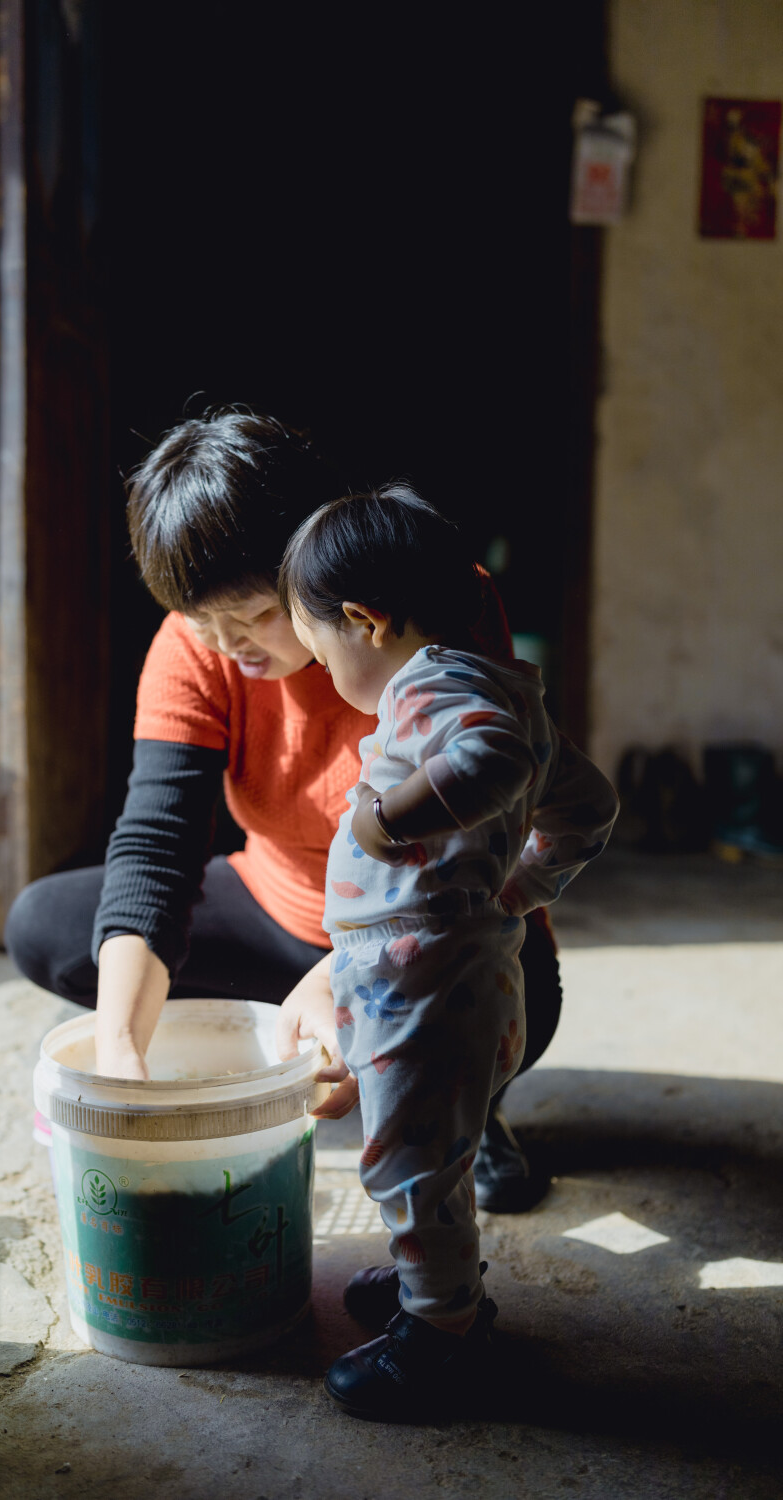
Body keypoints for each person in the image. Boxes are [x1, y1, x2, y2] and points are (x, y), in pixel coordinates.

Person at [5, 408, 564, 1208]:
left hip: (440, 919)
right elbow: (157, 842)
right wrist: (121, 1052)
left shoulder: (438, 601)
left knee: (509, 995)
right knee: (50, 928)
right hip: (278, 907)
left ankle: (466, 1117)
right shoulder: (194, 648)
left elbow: (476, 844)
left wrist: (348, 972)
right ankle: (325, 1056)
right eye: (201, 619)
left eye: (255, 614)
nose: (228, 644)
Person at [274, 484, 618, 1417]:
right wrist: (528, 884)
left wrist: (389, 816)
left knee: (407, 1161)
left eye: (316, 647)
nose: (321, 669)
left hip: (423, 982)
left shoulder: (437, 687)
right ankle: (438, 1285)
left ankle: (441, 1336)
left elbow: (492, 756)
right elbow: (587, 807)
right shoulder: (504, 683)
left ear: (364, 620)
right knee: (438, 1151)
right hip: (456, 966)